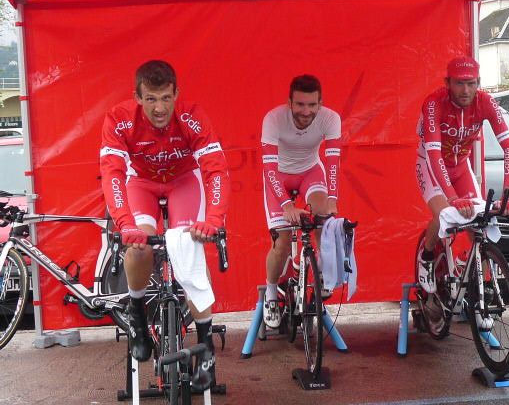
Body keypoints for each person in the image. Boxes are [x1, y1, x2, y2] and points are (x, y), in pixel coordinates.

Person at [100, 60, 229, 390]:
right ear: (138, 97)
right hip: (140, 183)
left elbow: (215, 170)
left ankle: (207, 350)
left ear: (177, 94)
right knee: (139, 245)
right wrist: (126, 224)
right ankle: (138, 315)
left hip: (184, 181)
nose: (160, 108)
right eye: (151, 99)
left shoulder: (192, 116)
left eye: (166, 98)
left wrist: (213, 219)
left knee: (192, 251)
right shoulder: (119, 119)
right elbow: (113, 174)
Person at [415, 56, 509, 293]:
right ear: (447, 83)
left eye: (471, 83)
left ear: (479, 82)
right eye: (459, 83)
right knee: (444, 213)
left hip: (460, 165)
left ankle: (473, 273)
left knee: (478, 223)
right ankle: (427, 256)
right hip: (430, 164)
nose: (466, 90)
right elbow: (433, 153)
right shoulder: (434, 103)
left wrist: (508, 194)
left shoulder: (486, 102)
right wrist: (452, 198)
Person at [260, 74, 341, 328]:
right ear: (289, 102)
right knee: (282, 242)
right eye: (300, 105)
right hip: (279, 177)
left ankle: (316, 270)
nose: (306, 111)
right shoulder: (273, 119)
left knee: (323, 220)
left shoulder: (331, 118)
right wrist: (286, 205)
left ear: (320, 103)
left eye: (312, 105)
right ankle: (271, 293)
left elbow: (333, 162)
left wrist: (332, 200)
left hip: (310, 172)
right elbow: (270, 169)